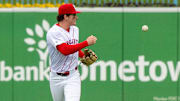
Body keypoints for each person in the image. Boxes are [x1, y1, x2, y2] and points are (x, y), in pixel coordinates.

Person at [46, 3, 97, 101]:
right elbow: (64, 50)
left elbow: (74, 48)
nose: (76, 17)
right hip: (56, 77)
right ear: (65, 17)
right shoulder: (53, 32)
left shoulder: (75, 30)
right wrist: (86, 43)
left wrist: (82, 56)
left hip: (73, 76)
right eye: (74, 15)